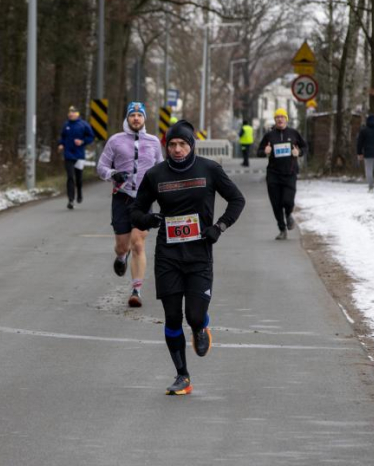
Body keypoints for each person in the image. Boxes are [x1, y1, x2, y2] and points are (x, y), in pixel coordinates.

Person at [131, 120, 245, 395]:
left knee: (194, 316)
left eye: (182, 144)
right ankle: (182, 375)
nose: (177, 149)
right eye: (172, 144)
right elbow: (135, 211)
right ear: (166, 147)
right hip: (168, 255)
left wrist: (219, 227)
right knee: (172, 317)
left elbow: (237, 200)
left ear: (191, 145)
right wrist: (150, 219)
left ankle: (200, 327)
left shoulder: (209, 169)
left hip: (199, 254)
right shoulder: (155, 175)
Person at [97, 102, 163, 307]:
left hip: (143, 199)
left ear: (144, 119)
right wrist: (113, 174)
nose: (136, 118)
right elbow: (101, 167)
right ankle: (120, 256)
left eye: (139, 115)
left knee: (138, 243)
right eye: (132, 115)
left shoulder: (153, 142)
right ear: (127, 118)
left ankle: (136, 290)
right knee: (122, 245)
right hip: (122, 196)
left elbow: (161, 169)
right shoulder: (115, 141)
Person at [257, 108, 307, 240]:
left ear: (286, 119)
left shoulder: (294, 133)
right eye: (277, 117)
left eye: (282, 117)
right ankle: (282, 229)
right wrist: (265, 151)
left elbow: (304, 147)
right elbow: (259, 151)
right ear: (275, 120)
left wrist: (299, 153)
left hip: (290, 173)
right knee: (276, 203)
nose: (280, 119)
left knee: (288, 200)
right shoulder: (269, 136)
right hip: (273, 174)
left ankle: (289, 214)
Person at [58, 105, 95, 209]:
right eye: (69, 112)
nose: (71, 114)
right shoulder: (66, 125)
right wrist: (61, 144)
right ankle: (70, 200)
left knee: (78, 178)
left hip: (79, 155)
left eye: (73, 112)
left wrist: (82, 141)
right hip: (68, 154)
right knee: (70, 177)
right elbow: (62, 137)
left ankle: (79, 192)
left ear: (77, 114)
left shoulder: (83, 125)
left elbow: (91, 137)